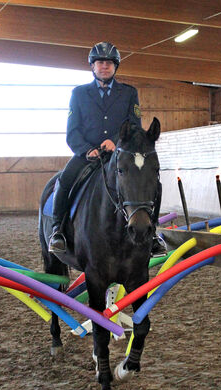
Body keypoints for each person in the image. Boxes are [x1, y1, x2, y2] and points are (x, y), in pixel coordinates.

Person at [48, 41, 167, 257]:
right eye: (100, 62)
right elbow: (72, 131)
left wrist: (116, 142)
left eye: (109, 63)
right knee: (64, 181)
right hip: (87, 156)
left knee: (154, 183)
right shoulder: (79, 94)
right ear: (93, 66)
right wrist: (87, 150)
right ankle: (57, 231)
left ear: (115, 67)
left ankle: (153, 234)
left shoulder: (129, 93)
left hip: (119, 154)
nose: (105, 66)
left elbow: (135, 125)